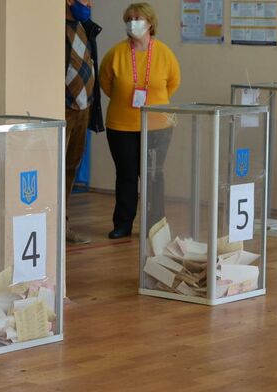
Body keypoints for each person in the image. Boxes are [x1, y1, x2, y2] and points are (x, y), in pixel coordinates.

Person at [98, 2, 180, 239]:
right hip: (121, 125)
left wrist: (155, 102)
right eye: (129, 19)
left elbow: (173, 83)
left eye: (138, 18)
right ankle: (123, 224)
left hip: (157, 126)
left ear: (150, 23)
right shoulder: (116, 53)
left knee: (154, 176)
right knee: (126, 175)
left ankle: (154, 226)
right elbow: (106, 83)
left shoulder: (164, 53)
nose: (133, 23)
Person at [64, 0, 104, 244]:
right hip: (63, 108)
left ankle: (64, 223)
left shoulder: (85, 27)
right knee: (57, 168)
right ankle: (54, 224)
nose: (89, 3)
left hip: (83, 107)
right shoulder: (55, 27)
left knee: (71, 166)